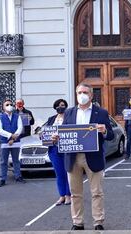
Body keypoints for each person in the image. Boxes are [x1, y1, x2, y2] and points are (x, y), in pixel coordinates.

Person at [55, 83, 114, 230]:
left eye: (85, 92)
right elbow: (65, 133)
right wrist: (57, 137)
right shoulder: (69, 113)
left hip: (93, 157)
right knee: (75, 193)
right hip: (73, 157)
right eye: (79, 92)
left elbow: (111, 135)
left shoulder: (101, 112)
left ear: (91, 95)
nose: (82, 95)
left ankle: (98, 221)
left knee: (97, 192)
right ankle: (77, 222)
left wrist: (104, 130)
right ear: (76, 94)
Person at [43, 99, 71, 205]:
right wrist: (43, 135)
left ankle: (69, 195)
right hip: (54, 149)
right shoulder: (51, 119)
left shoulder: (69, 118)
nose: (61, 107)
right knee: (59, 174)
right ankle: (62, 195)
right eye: (58, 105)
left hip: (66, 149)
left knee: (68, 172)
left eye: (63, 105)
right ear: (55, 107)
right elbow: (45, 131)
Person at [0, 99, 25, 187]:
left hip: (15, 141)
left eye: (10, 104)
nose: (9, 106)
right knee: (3, 161)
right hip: (4, 142)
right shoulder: (0, 117)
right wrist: (10, 135)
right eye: (7, 104)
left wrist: (14, 137)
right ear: (3, 107)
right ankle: (3, 179)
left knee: (16, 160)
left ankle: (18, 176)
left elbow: (20, 128)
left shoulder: (17, 116)